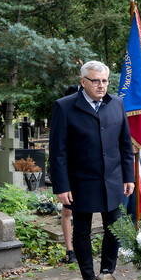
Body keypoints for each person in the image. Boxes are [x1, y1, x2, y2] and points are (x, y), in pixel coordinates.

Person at [50, 61, 135, 280]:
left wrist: (128, 176)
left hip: (113, 180)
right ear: (83, 81)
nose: (101, 86)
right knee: (83, 231)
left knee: (115, 229)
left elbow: (124, 145)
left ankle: (106, 277)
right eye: (96, 81)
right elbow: (58, 152)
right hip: (81, 181)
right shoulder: (65, 107)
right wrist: (61, 185)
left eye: (105, 81)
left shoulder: (116, 104)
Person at [59, 85, 79, 265]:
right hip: (70, 173)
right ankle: (69, 249)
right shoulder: (64, 115)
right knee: (68, 211)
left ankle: (78, 248)